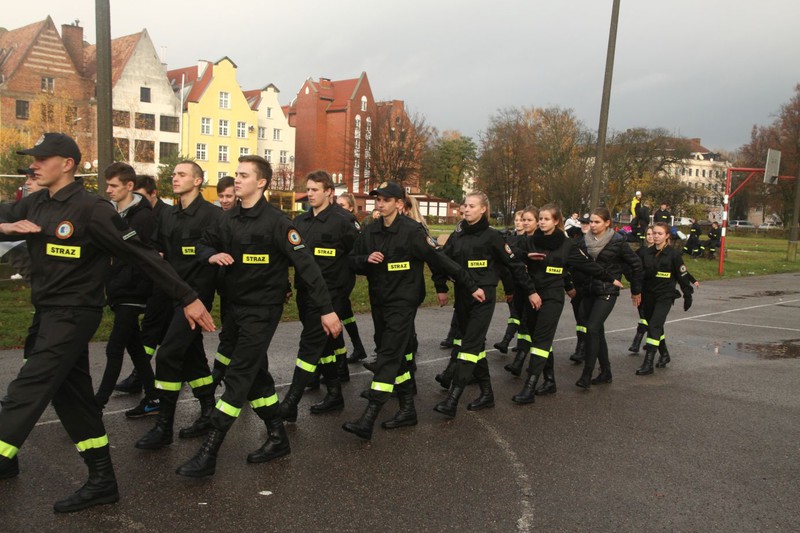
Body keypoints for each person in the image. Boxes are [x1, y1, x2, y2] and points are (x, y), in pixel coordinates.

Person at [0, 133, 213, 512]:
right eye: (33, 158)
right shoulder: (34, 203)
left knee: (28, 387)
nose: (34, 164)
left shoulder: (93, 210)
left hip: (74, 315)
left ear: (67, 163)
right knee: (74, 399)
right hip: (47, 312)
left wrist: (189, 297)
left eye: (42, 158)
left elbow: (142, 255)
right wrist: (6, 228)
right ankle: (102, 481)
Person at [176, 156, 340, 477]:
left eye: (243, 175)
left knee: (238, 377)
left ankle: (209, 452)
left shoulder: (279, 223)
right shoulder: (228, 219)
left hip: (263, 311)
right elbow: (202, 245)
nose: (236, 180)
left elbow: (308, 268)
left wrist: (327, 309)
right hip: (234, 309)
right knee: (257, 376)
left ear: (261, 182)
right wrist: (212, 255)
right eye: (236, 174)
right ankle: (278, 436)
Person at [342, 181, 479, 440]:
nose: (380, 203)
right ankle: (407, 410)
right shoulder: (370, 231)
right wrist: (365, 260)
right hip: (379, 300)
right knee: (400, 354)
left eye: (385, 199)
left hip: (404, 302)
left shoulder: (412, 231)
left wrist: (469, 284)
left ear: (399, 204)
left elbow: (439, 259)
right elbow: (351, 261)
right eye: (377, 199)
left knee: (388, 355)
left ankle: (368, 416)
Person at [134, 161, 222, 450]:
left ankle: (163, 426)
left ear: (198, 181)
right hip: (170, 295)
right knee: (191, 356)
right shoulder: (168, 214)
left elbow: (220, 254)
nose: (175, 178)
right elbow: (158, 249)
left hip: (196, 298)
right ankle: (209, 409)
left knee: (169, 354)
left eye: (182, 174)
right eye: (174, 175)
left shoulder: (212, 215)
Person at [432, 191, 533, 418]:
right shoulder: (457, 236)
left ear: (483, 209)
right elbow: (443, 261)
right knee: (475, 348)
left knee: (468, 347)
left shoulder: (492, 236)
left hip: (483, 298)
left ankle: (452, 400)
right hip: (463, 297)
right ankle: (487, 394)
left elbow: (513, 266)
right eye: (464, 205)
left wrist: (531, 291)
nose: (466, 209)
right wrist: (440, 287)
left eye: (471, 206)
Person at [510, 204, 621, 403]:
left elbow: (587, 265)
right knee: (539, 341)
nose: (542, 222)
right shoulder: (529, 242)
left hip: (552, 297)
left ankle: (529, 387)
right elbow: (511, 255)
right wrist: (526, 261)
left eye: (546, 219)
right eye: (540, 219)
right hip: (532, 295)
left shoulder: (567, 245)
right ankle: (550, 381)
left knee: (542, 340)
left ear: (556, 221)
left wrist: (609, 278)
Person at [278, 171, 359, 423]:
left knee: (310, 344)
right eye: (308, 189)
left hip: (331, 296)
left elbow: (358, 256)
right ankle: (335, 394)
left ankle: (290, 402)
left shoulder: (344, 221)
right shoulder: (301, 222)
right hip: (306, 294)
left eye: (315, 189)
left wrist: (343, 289)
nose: (310, 194)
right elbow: (291, 257)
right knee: (324, 344)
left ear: (329, 192)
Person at [93, 163, 160, 418]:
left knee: (114, 347)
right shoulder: (112, 212)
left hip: (133, 290)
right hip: (118, 289)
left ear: (129, 186)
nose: (108, 190)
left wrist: (125, 281)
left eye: (113, 186)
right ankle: (153, 397)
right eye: (107, 185)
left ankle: (96, 405)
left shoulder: (142, 216)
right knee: (135, 348)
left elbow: (140, 256)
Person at [114, 175, 171, 394]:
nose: (138, 200)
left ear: (153, 193)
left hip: (163, 281)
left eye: (142, 196)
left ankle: (140, 376)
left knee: (150, 329)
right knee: (165, 333)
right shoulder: (136, 214)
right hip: (145, 280)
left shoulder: (165, 214)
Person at [575, 207, 643, 389]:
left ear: (607, 223)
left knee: (591, 329)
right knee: (597, 332)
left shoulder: (618, 242)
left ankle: (587, 374)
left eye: (597, 222)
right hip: (589, 291)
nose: (593, 225)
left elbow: (635, 264)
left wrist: (636, 290)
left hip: (607, 291)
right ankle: (606, 371)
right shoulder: (583, 242)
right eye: (591, 222)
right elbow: (577, 265)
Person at [636, 222, 696, 375]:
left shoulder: (674, 254)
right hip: (648, 295)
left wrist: (687, 294)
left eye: (659, 233)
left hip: (665, 296)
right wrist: (636, 291)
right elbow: (639, 275)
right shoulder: (646, 253)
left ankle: (648, 362)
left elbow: (682, 275)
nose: (656, 236)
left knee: (655, 325)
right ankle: (664, 354)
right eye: (654, 233)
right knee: (655, 327)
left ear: (667, 236)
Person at [335, 192, 369, 365]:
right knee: (345, 312)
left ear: (350, 207)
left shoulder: (350, 222)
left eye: (342, 205)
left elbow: (355, 247)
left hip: (345, 274)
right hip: (336, 272)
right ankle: (358, 347)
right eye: (336, 204)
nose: (338, 207)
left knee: (336, 314)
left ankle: (339, 363)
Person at [504, 205, 538, 376]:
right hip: (520, 287)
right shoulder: (519, 240)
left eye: (528, 220)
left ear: (537, 222)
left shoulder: (541, 240)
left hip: (537, 289)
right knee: (523, 324)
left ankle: (533, 367)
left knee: (532, 326)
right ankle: (519, 362)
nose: (524, 223)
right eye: (523, 219)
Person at [493, 210, 526, 354]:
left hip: (526, 282)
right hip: (512, 280)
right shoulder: (510, 238)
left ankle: (508, 341)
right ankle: (510, 342)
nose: (519, 223)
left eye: (522, 220)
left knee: (520, 314)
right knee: (515, 313)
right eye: (517, 220)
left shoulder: (529, 239)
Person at [567, 214, 592, 364]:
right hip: (577, 285)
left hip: (590, 285)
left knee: (584, 317)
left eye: (587, 223)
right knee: (579, 317)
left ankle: (582, 348)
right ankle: (583, 345)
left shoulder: (595, 243)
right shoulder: (574, 242)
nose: (585, 225)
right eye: (583, 223)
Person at [628, 226, 655, 354]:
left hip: (654, 289)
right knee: (643, 315)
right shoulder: (641, 251)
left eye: (653, 234)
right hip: (641, 288)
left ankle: (638, 341)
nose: (650, 236)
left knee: (650, 317)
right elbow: (632, 266)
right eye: (648, 234)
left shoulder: (661, 252)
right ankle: (641, 342)